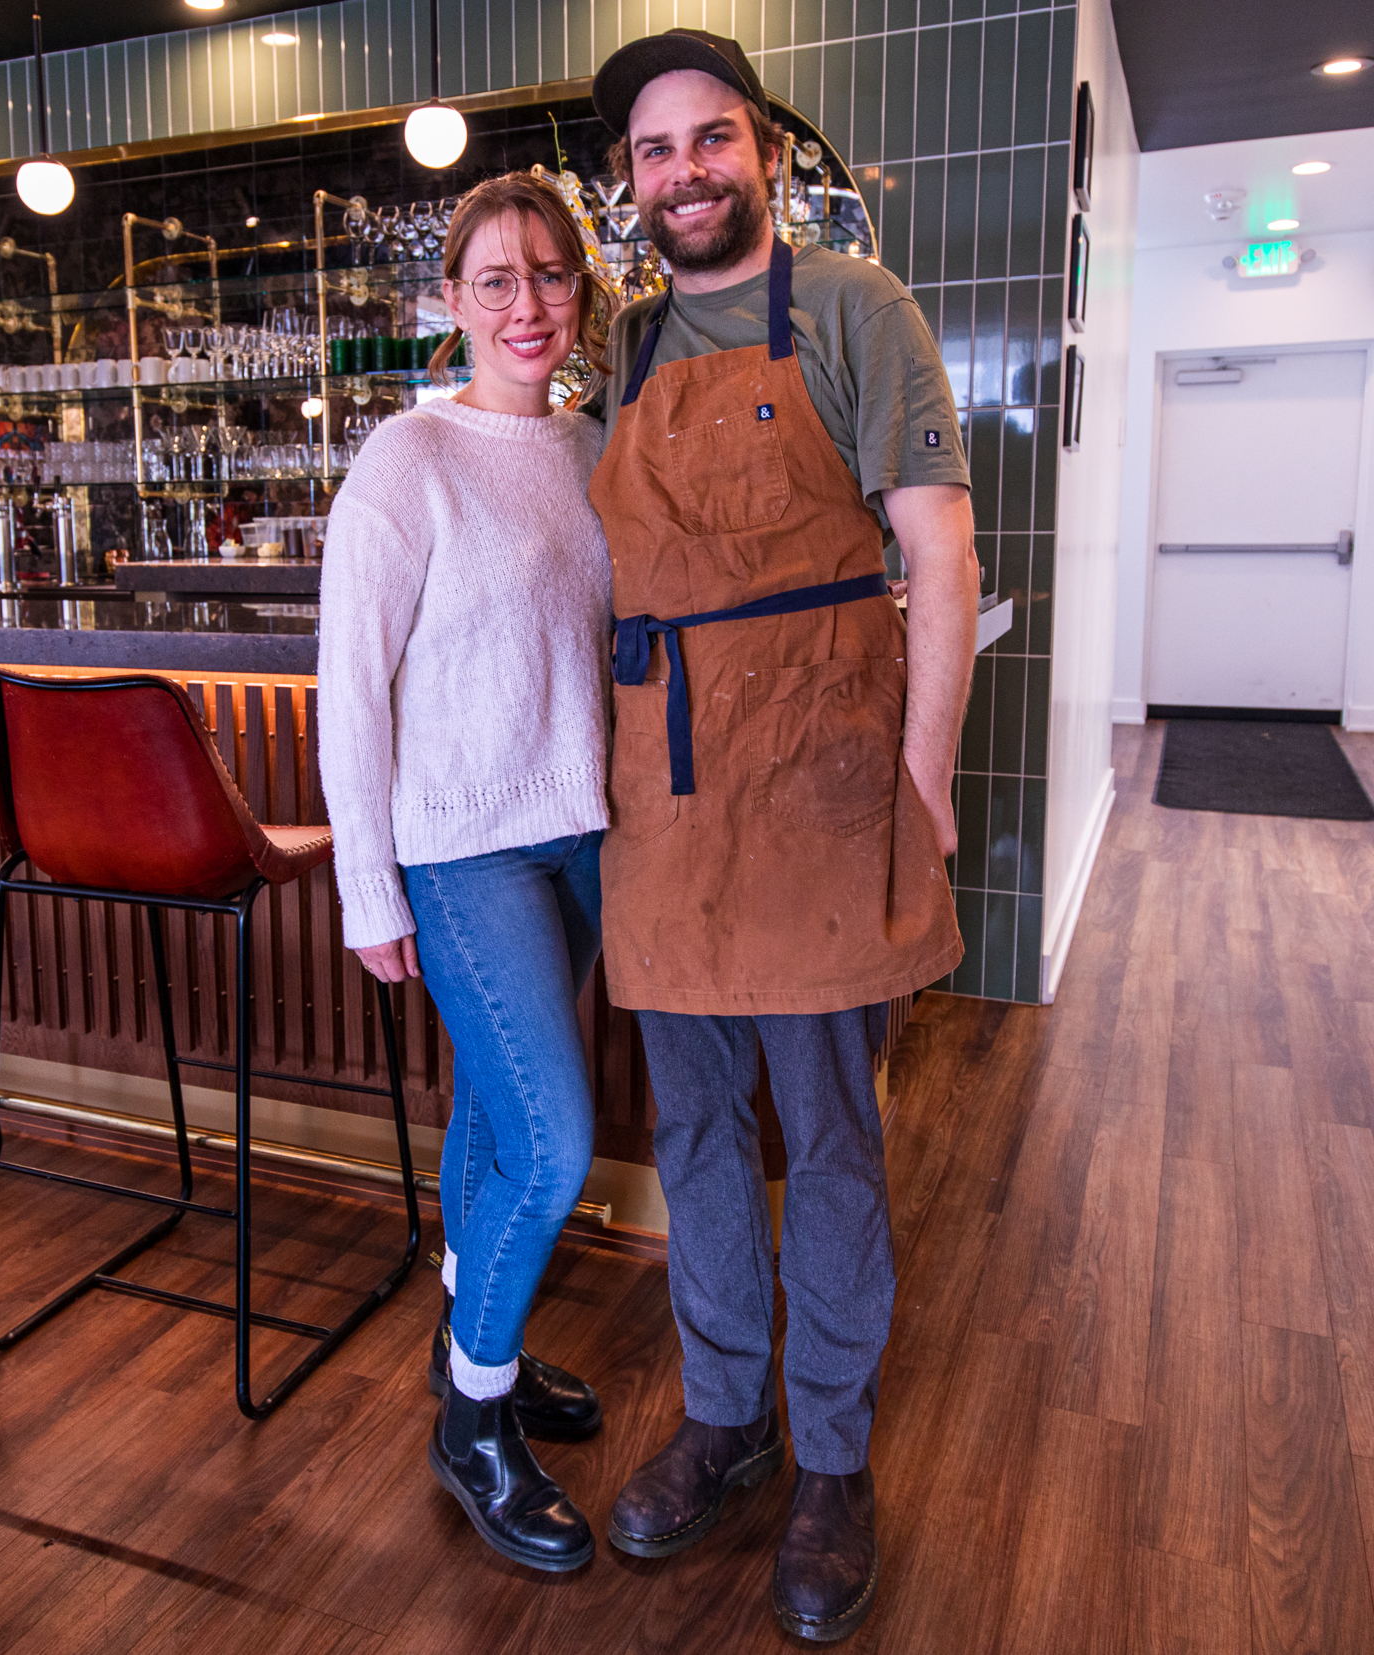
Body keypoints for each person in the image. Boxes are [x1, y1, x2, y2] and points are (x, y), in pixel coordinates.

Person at [580, 29, 979, 1642]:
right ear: (633, 181)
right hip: (665, 796)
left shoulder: (856, 313)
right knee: (692, 1139)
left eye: (713, 139)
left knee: (826, 1139)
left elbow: (939, 563)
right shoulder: (621, 348)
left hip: (821, 782)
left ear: (766, 154)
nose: (687, 171)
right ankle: (728, 1421)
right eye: (658, 151)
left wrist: (924, 783)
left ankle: (830, 1458)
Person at [317, 172, 618, 1573]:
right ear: (453, 303)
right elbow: (350, 692)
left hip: (581, 834)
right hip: (458, 847)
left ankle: (469, 1349)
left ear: (581, 291)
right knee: (555, 1145)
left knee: (498, 1127)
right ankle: (474, 1423)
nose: (527, 305)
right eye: (495, 282)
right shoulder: (407, 460)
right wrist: (367, 892)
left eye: (550, 276)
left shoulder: (593, 449)